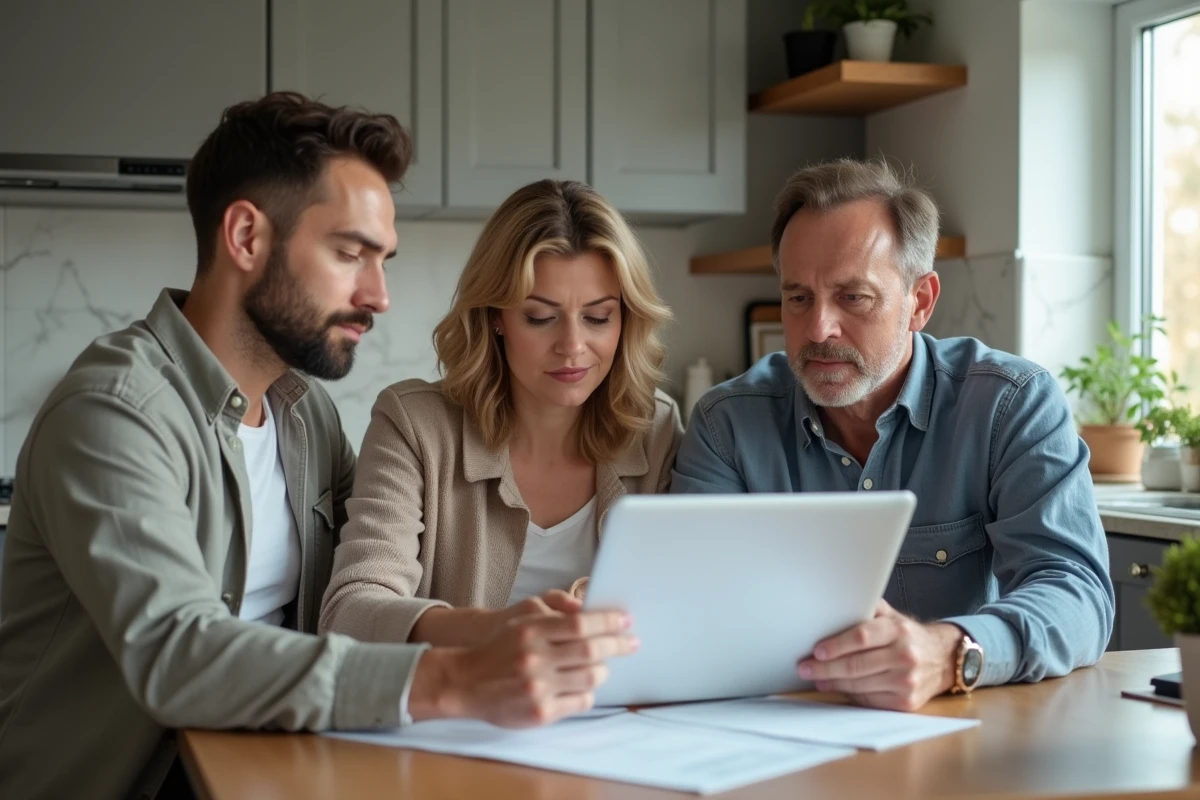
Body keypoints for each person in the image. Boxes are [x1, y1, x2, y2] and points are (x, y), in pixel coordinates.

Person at [0, 94, 635, 800]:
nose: (379, 294)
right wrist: (458, 676)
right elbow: (176, 654)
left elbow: (370, 583)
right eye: (349, 253)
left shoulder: (306, 419)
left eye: (384, 260)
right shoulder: (115, 414)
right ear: (246, 237)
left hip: (268, 772)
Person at [670, 158, 1115, 712]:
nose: (818, 329)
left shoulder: (1009, 404)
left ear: (920, 302)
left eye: (853, 297)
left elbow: (1077, 593)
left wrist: (950, 651)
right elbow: (689, 609)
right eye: (798, 298)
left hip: (959, 735)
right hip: (781, 733)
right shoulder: (726, 424)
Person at [319, 179, 681, 648]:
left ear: (625, 320)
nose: (572, 347)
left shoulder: (655, 430)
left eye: (597, 317)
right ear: (495, 316)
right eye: (539, 316)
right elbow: (351, 610)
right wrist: (501, 633)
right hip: (460, 713)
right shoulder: (414, 426)